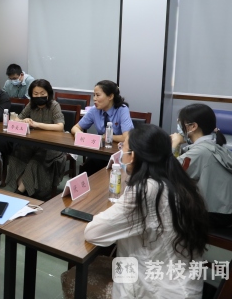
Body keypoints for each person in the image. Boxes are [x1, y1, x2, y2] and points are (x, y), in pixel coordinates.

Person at [84, 124, 209, 298]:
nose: (121, 152)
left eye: (123, 147)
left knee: (74, 278)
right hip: (181, 284)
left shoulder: (146, 191)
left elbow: (93, 233)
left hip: (158, 291)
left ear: (133, 155)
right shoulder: (177, 180)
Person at [172, 104, 232, 229]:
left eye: (181, 123)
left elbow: (169, 170)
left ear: (193, 126)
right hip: (225, 212)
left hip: (214, 215)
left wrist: (174, 143)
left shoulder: (201, 151)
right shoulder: (213, 145)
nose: (179, 126)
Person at [5, 79, 66, 200]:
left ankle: (19, 193)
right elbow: (17, 119)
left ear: (48, 93)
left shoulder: (54, 105)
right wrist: (24, 121)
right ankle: (25, 190)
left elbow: (60, 126)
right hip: (33, 143)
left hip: (52, 146)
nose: (39, 96)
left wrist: (36, 124)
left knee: (34, 163)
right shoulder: (30, 105)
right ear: (31, 95)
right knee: (16, 157)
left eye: (42, 93)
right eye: (36, 94)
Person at [71, 80, 134, 175]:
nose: (94, 99)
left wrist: (106, 137)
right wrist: (81, 135)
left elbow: (126, 137)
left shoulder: (122, 109)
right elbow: (75, 128)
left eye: (98, 95)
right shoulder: (94, 110)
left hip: (120, 153)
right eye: (94, 95)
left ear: (110, 96)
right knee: (87, 167)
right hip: (101, 151)